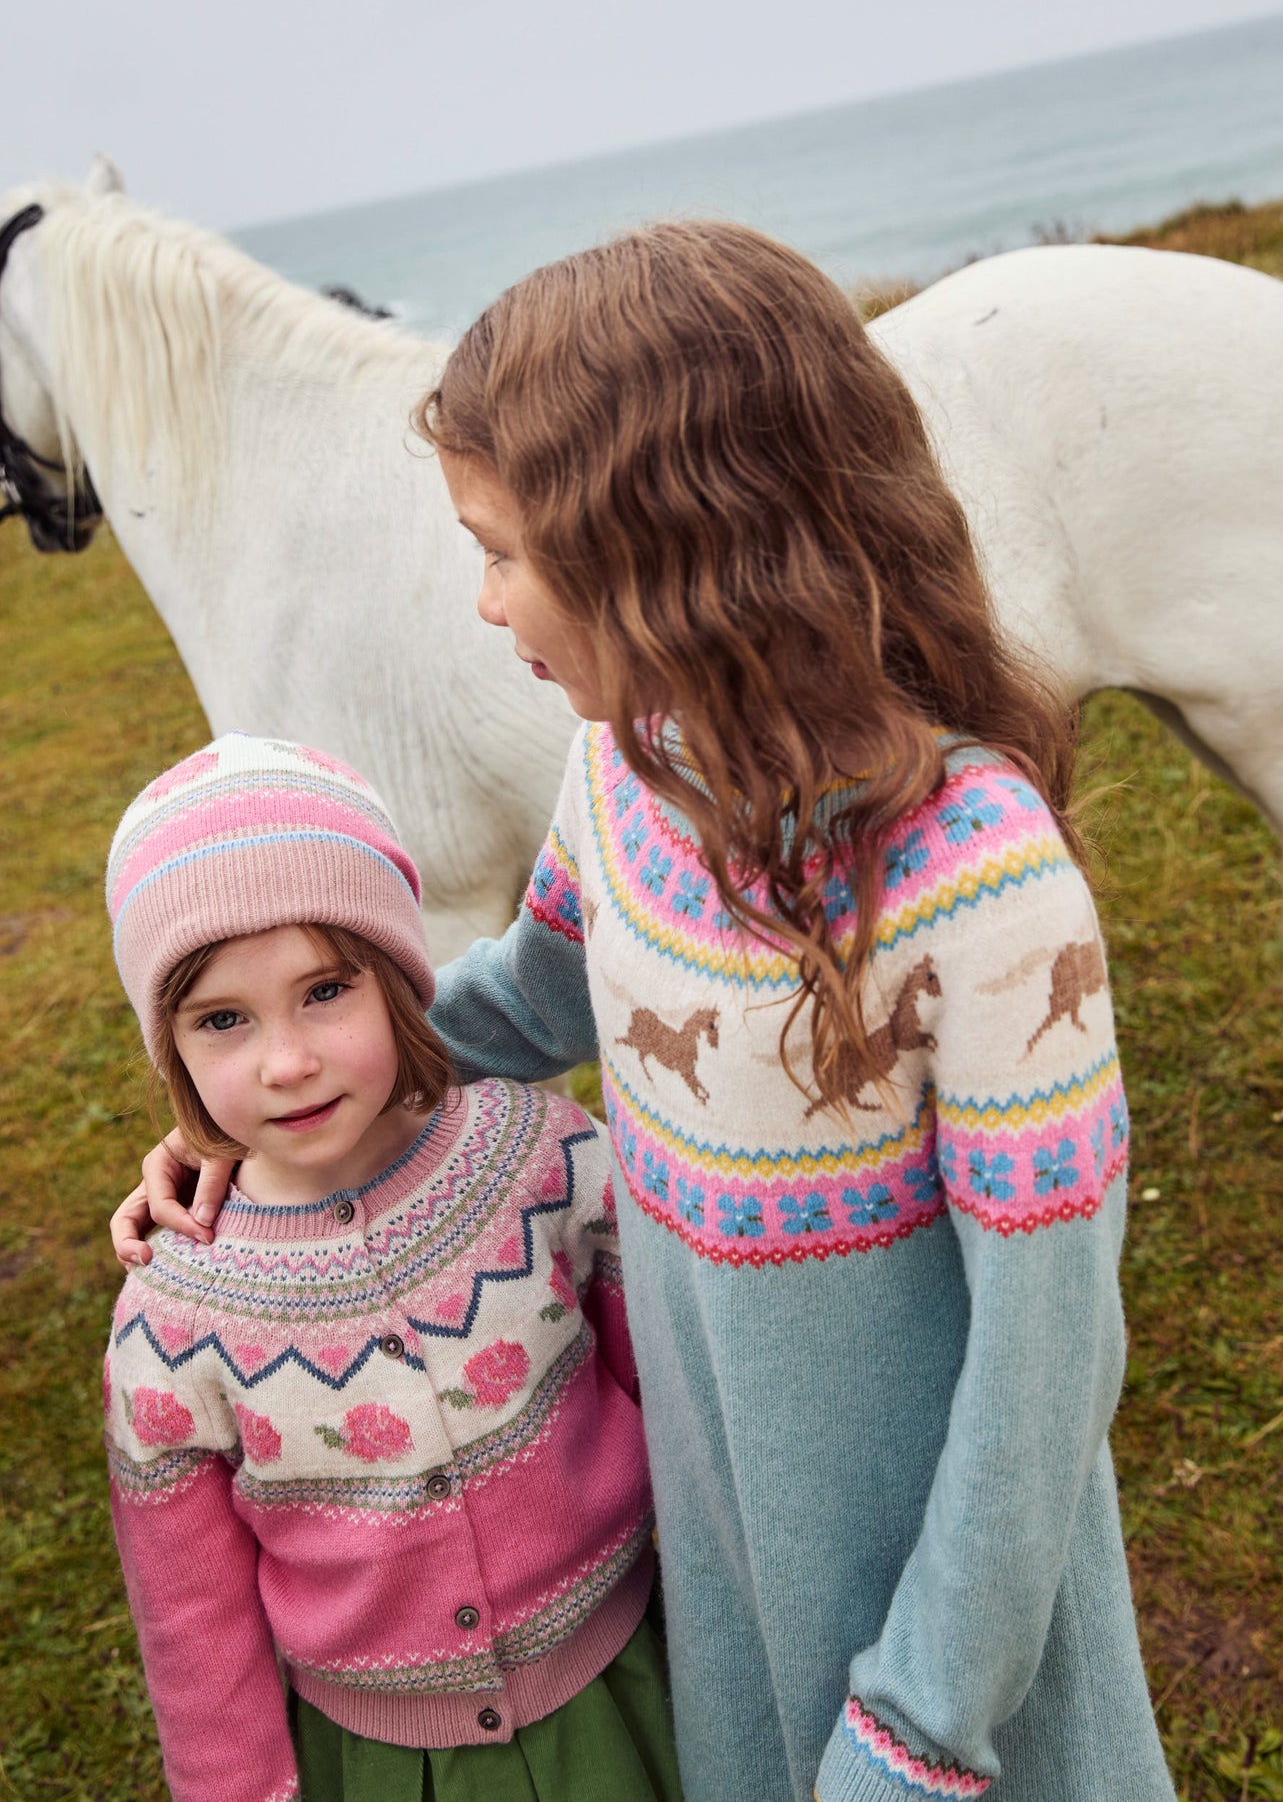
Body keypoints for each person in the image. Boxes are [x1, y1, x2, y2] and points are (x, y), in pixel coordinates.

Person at [116, 222, 1177, 1801]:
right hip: (726, 1564)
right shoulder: (623, 774)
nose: (483, 604)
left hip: (951, 1640)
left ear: (668, 550)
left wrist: (923, 1719)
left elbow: (1046, 1367)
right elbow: (522, 1000)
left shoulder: (986, 892)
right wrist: (252, 1130)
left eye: (500, 551)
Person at [102, 732, 680, 1802]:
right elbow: (193, 1621)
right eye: (223, 1018)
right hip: (382, 1767)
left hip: (631, 1691)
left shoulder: (544, 1160)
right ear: (169, 1045)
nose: (287, 1059)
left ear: (401, 981)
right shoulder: (172, 1319)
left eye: (326, 989)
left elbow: (678, 1394)